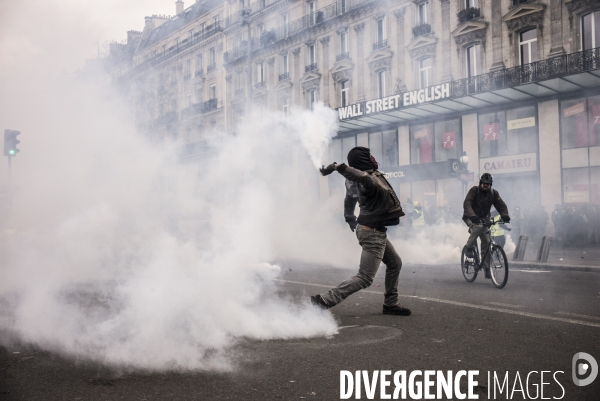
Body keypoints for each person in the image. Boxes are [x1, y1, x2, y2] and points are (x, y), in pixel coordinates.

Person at [311, 146, 411, 315]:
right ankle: (325, 299)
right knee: (365, 277)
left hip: (369, 229)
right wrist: (338, 167)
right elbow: (363, 176)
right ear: (362, 160)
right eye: (368, 156)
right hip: (372, 232)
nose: (373, 158)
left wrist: (350, 219)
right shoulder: (367, 180)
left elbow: (349, 200)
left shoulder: (352, 181)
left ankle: (390, 304)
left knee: (395, 263)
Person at [463, 173, 510, 278]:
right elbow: (467, 203)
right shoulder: (474, 191)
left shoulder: (493, 193)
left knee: (487, 241)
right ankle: (468, 247)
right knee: (478, 227)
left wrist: (505, 215)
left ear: (490, 184)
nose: (485, 185)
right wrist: (472, 215)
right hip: (470, 217)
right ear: (480, 183)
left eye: (488, 184)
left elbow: (501, 205)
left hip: (484, 218)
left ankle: (487, 267)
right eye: (484, 183)